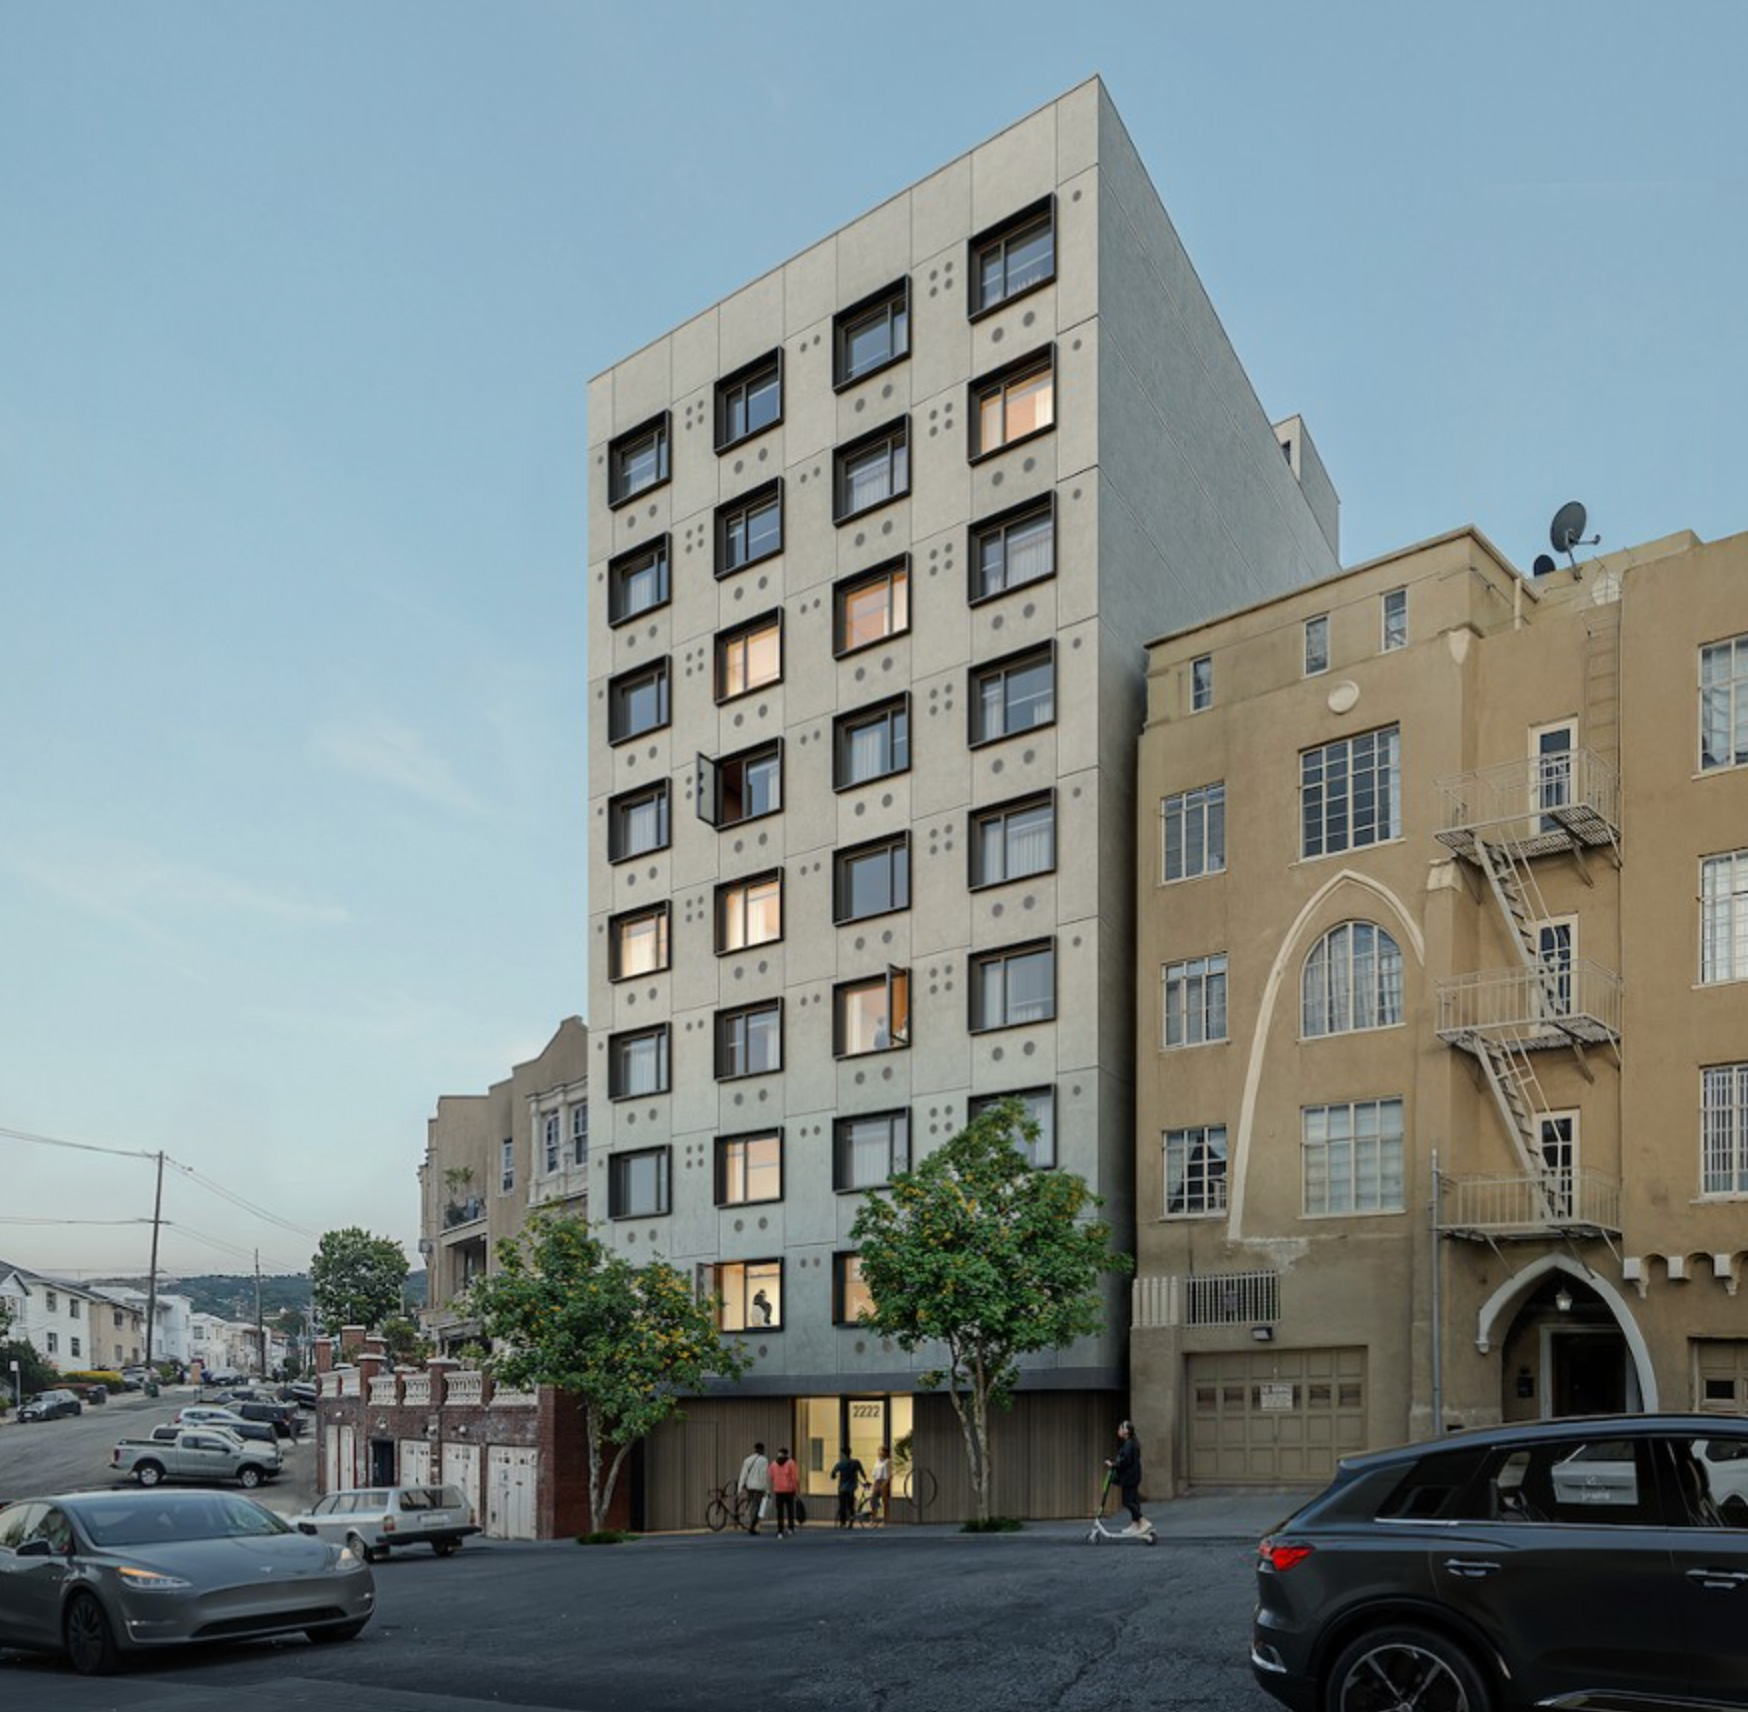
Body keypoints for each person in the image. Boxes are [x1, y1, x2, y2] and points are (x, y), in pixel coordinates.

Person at [1105, 1420, 1149, 1535]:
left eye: (1120, 1428)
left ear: (1126, 1431)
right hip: (1133, 1476)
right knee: (1134, 1500)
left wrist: (1113, 1465)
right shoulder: (1131, 1443)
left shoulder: (1129, 1444)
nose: (1118, 1431)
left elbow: (1125, 1461)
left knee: (1127, 1501)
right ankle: (1135, 1524)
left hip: (1130, 1477)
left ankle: (1143, 1521)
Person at [737, 1440, 771, 1534]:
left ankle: (752, 1525)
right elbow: (764, 1475)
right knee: (757, 1506)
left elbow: (743, 1474)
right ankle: (752, 1526)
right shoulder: (764, 1460)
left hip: (750, 1487)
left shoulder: (747, 1460)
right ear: (762, 1449)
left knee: (753, 1505)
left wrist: (739, 1488)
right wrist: (767, 1489)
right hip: (759, 1487)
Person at [829, 1445, 867, 1528]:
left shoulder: (840, 1464)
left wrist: (835, 1476)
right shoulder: (856, 1462)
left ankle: (843, 1522)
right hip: (852, 1487)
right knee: (851, 1505)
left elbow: (832, 1475)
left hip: (842, 1487)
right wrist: (865, 1480)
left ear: (843, 1454)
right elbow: (862, 1473)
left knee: (842, 1505)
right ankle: (851, 1521)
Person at [768, 1446, 802, 1537]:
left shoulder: (773, 1464)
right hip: (789, 1490)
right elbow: (795, 1478)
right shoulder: (791, 1463)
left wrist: (776, 1483)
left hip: (778, 1490)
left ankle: (780, 1530)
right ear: (787, 1454)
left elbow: (771, 1476)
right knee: (790, 1510)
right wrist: (796, 1489)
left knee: (780, 1511)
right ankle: (790, 1528)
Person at [868, 1444, 892, 1526]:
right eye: (879, 1451)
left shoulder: (887, 1461)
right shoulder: (877, 1461)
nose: (879, 1453)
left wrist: (885, 1484)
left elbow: (889, 1475)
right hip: (877, 1481)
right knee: (873, 1500)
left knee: (884, 1501)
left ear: (885, 1452)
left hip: (884, 1481)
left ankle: (886, 1519)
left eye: (881, 1451)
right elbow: (874, 1472)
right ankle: (874, 1517)